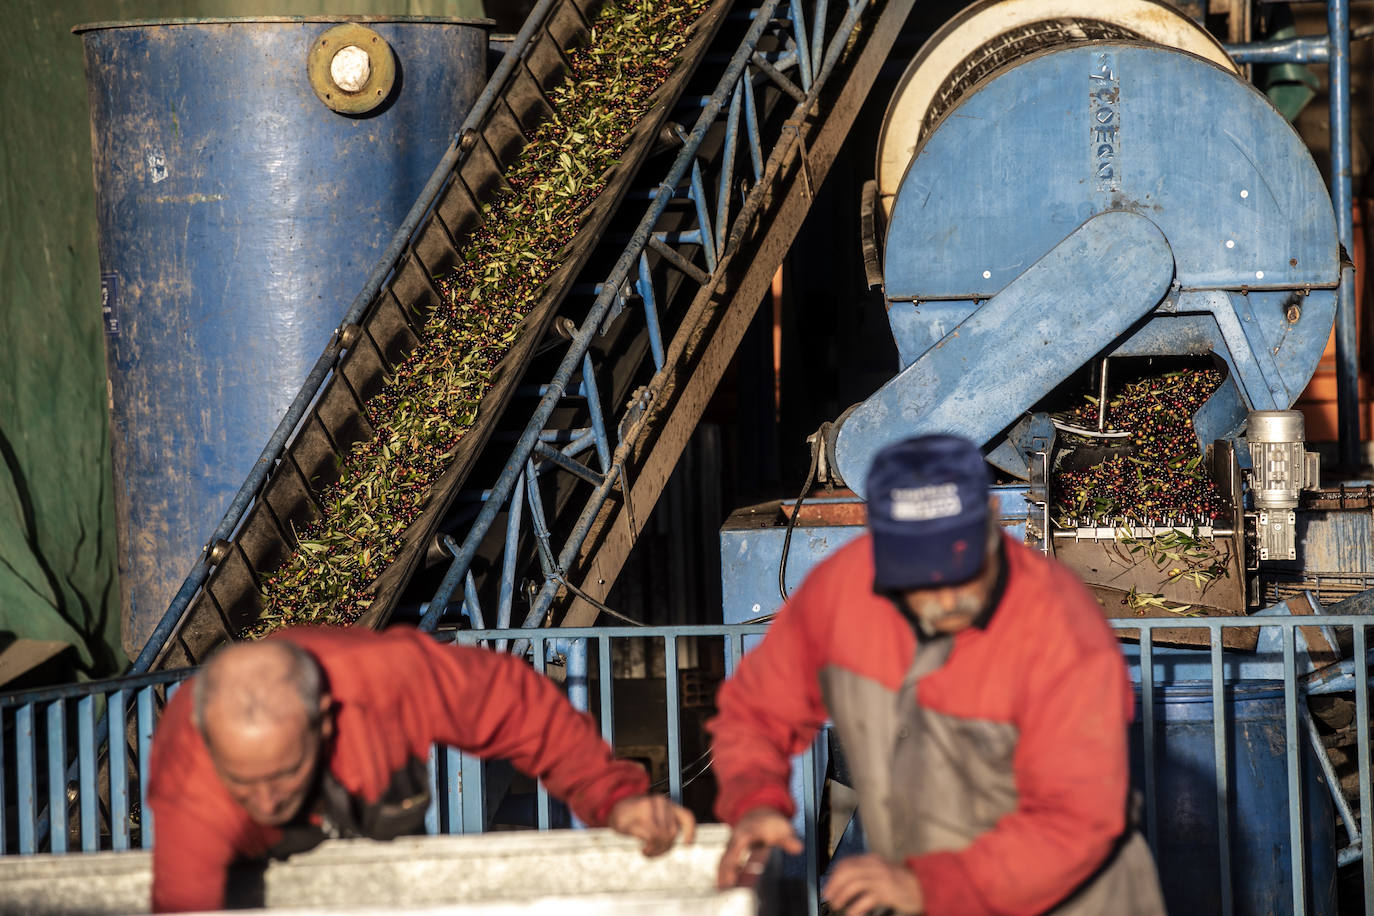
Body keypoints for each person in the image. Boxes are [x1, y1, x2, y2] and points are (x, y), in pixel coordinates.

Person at [708, 434, 1167, 915]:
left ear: (989, 522)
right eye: (918, 576)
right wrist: (755, 798)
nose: (945, 597)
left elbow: (1080, 817)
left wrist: (930, 886)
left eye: (959, 566)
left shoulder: (1058, 624)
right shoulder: (840, 595)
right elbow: (756, 712)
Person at [147, 625, 694, 913]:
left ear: (325, 722)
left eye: (282, 774)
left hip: (376, 790)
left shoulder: (387, 680)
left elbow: (520, 708)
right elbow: (185, 901)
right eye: (244, 779)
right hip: (252, 850)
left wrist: (611, 797)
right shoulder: (188, 764)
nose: (266, 798)